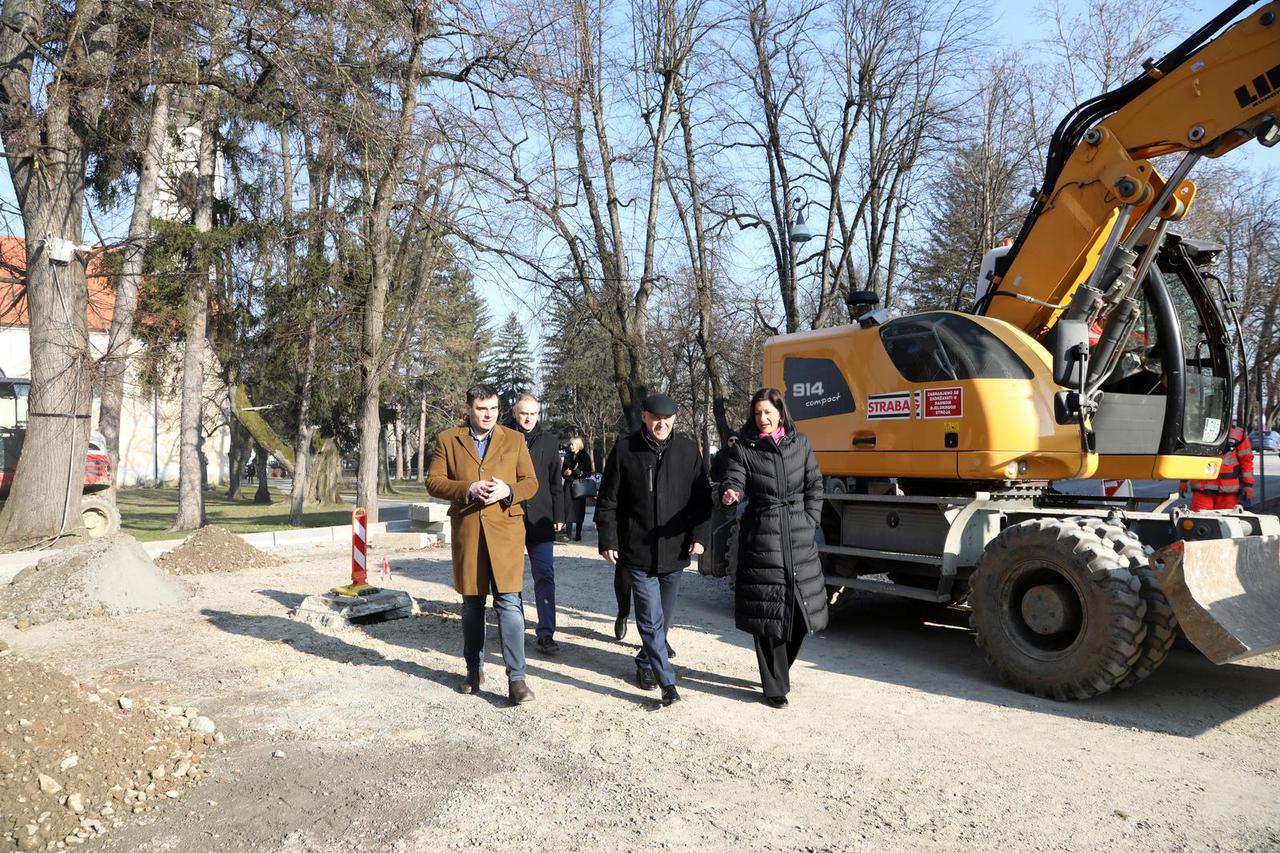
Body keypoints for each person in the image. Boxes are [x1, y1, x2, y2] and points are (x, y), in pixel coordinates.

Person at [596, 392, 711, 707]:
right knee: (650, 618)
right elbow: (608, 500)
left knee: (664, 618)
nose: (662, 424)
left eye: (667, 419)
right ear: (644, 417)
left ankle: (645, 663)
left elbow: (702, 501)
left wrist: (699, 536)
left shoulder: (688, 451)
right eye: (655, 418)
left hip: (675, 552)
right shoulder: (625, 448)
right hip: (638, 551)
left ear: (675, 419)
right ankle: (667, 683)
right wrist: (608, 539)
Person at [426, 384, 539, 705]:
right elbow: (433, 481)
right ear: (469, 409)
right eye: (481, 408)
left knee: (510, 605)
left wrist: (509, 491)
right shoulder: (449, 439)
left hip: (506, 533)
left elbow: (530, 482)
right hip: (470, 533)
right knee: (472, 607)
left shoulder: (514, 439)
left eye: (493, 408)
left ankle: (517, 679)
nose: (488, 414)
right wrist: (468, 487)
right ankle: (474, 669)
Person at [718, 387, 829, 708]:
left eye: (768, 412)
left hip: (798, 535)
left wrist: (811, 520)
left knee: (800, 613)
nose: (763, 418)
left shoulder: (801, 443)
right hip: (762, 535)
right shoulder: (744, 449)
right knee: (768, 611)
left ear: (781, 412)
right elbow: (734, 478)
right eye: (757, 413)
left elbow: (815, 484)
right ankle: (774, 686)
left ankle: (779, 672)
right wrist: (731, 492)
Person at [504, 393, 566, 655]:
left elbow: (556, 482)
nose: (528, 419)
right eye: (523, 413)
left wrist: (559, 515)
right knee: (510, 579)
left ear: (538, 414)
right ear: (515, 414)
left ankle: (546, 633)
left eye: (533, 414)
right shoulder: (503, 437)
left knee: (545, 575)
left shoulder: (550, 442)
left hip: (541, 519)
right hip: (510, 516)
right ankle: (513, 629)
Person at [1182, 422, 1255, 511]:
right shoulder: (1197, 432)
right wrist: (1183, 480)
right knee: (1201, 522)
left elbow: (1246, 461)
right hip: (1202, 490)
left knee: (1226, 521)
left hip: (1227, 492)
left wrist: (1248, 484)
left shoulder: (1238, 434)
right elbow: (1189, 458)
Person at [561, 436, 594, 541]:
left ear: (578, 445)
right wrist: (565, 473)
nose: (570, 446)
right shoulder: (567, 455)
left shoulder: (585, 456)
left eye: (572, 444)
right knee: (567, 508)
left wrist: (578, 472)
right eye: (570, 444)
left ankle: (578, 534)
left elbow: (588, 472)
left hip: (580, 486)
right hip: (568, 485)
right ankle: (569, 534)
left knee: (579, 510)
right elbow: (563, 472)